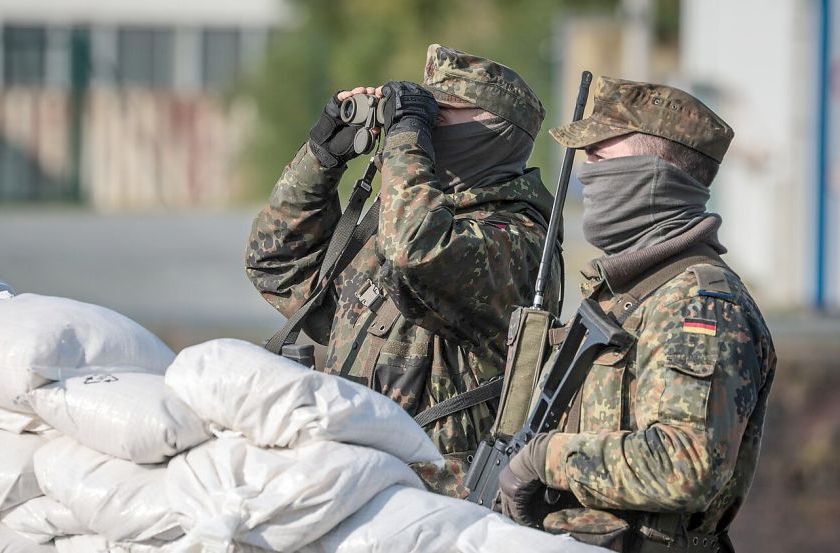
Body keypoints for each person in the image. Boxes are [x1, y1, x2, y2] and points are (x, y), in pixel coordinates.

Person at [245, 44, 562, 495]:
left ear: (492, 131)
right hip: (356, 481)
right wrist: (322, 158)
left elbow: (416, 249)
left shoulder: (517, 240)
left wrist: (406, 137)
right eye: (423, 114)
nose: (426, 129)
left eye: (440, 114)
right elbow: (274, 264)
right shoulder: (406, 216)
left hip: (439, 502)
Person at [497, 77, 777, 553]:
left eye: (599, 154)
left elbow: (686, 465)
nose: (586, 171)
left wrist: (546, 459)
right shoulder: (625, 295)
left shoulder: (698, 303)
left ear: (652, 172)